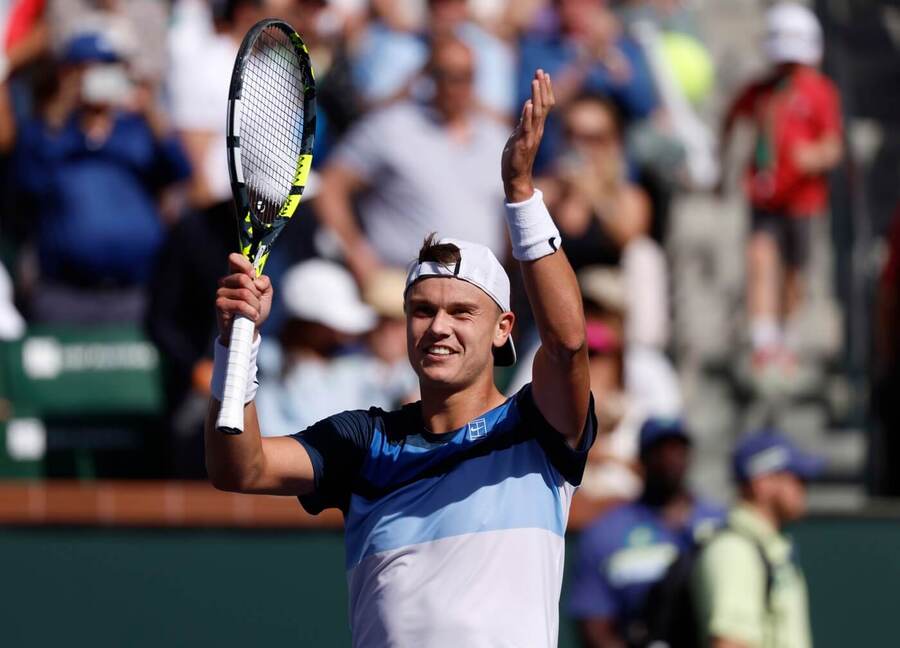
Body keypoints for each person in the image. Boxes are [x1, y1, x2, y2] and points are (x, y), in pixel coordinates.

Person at [205, 70, 597, 646]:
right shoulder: (366, 441)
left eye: (462, 312)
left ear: (502, 329)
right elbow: (241, 467)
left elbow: (567, 344)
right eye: (422, 310)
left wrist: (520, 195)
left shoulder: (537, 430)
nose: (438, 327)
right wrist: (235, 344)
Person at [0, 30, 190, 324]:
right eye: (89, 68)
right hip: (64, 294)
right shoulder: (48, 132)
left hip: (137, 291)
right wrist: (62, 104)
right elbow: (25, 182)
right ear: (67, 73)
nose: (100, 77)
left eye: (109, 67)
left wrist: (152, 108)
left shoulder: (136, 130)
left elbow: (181, 171)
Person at [315, 36, 509, 281]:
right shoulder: (391, 126)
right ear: (428, 76)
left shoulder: (496, 138)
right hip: (404, 286)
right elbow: (331, 186)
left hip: (478, 288)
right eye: (445, 75)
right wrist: (355, 250)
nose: (456, 86)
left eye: (465, 76)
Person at [719, 2, 843, 366]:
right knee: (760, 257)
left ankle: (787, 339)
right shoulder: (760, 91)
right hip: (765, 195)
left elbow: (833, 146)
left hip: (803, 199)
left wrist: (814, 156)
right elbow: (732, 120)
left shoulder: (820, 92)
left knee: (794, 271)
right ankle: (763, 339)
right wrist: (724, 164)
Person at [570, 418, 725, 647]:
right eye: (659, 450)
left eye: (677, 449)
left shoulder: (720, 523)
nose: (670, 458)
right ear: (641, 459)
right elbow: (593, 623)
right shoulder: (606, 532)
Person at [254, 259, 416, 438]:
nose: (386, 331)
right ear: (309, 325)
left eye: (395, 323)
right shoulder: (262, 366)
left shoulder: (355, 369)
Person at [693, 430, 824, 648]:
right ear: (762, 483)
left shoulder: (768, 547)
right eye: (795, 478)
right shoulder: (734, 550)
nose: (803, 488)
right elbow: (730, 643)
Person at [517, 0, 658, 170]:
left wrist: (614, 58)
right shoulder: (537, 50)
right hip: (555, 166)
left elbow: (644, 105)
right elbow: (533, 109)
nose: (582, 8)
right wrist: (587, 59)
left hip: (614, 170)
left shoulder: (625, 48)